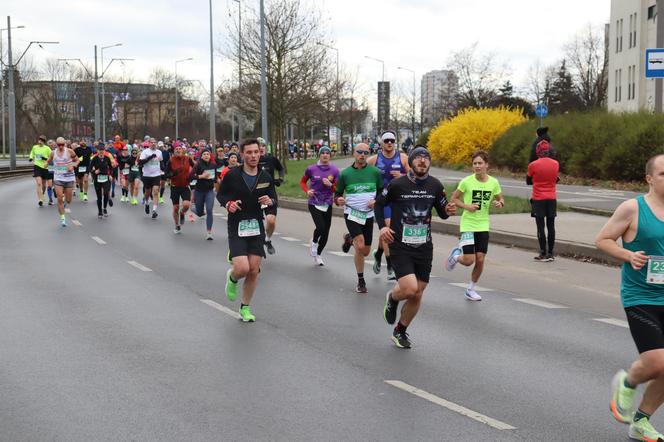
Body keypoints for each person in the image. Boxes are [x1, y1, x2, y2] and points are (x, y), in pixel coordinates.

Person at [596, 154, 664, 442]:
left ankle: (641, 421)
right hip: (641, 297)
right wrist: (628, 255)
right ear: (649, 178)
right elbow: (602, 239)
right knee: (658, 363)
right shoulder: (633, 208)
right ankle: (628, 381)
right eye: (663, 174)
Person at [376, 147, 457, 348]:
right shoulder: (397, 184)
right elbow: (379, 204)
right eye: (418, 158)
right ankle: (393, 298)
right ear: (411, 162)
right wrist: (381, 229)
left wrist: (449, 210)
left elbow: (443, 212)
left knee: (418, 293)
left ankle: (400, 330)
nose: (422, 161)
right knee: (410, 289)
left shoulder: (435, 185)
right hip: (400, 245)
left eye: (426, 159)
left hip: (424, 246)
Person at [217, 139, 278, 322]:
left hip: (256, 226)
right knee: (242, 269)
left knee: (253, 270)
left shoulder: (265, 176)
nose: (253, 156)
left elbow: (274, 199)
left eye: (256, 152)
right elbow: (221, 194)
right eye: (249, 153)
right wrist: (228, 204)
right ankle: (233, 278)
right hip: (237, 225)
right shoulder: (232, 175)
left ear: (260, 154)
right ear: (242, 155)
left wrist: (270, 203)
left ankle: (245, 308)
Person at [445, 150, 504, 301]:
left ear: (486, 165)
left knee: (480, 259)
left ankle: (470, 289)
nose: (477, 166)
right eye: (475, 164)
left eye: (480, 163)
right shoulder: (466, 181)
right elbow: (454, 199)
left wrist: (499, 203)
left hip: (483, 225)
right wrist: (467, 206)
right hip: (468, 224)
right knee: (469, 260)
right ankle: (456, 256)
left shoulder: (493, 182)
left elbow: (500, 198)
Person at [334, 143, 383, 293]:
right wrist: (338, 200)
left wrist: (376, 201)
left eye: (365, 152)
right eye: (359, 152)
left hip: (368, 215)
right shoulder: (346, 174)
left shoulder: (375, 172)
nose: (362, 155)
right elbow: (337, 194)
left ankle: (350, 239)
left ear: (368, 154)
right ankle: (361, 281)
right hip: (352, 214)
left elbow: (382, 193)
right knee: (360, 245)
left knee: (366, 251)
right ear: (354, 153)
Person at [368, 131, 410, 280]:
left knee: (390, 231)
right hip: (382, 200)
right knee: (388, 227)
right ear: (381, 143)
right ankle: (390, 266)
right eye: (386, 141)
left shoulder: (403, 158)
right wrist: (368, 197)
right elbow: (362, 175)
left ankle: (378, 254)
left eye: (392, 140)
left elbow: (415, 176)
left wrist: (403, 176)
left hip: (398, 200)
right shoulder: (374, 159)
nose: (389, 143)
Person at [301, 146, 340, 266]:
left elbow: (337, 189)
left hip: (327, 203)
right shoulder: (311, 169)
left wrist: (330, 185)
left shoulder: (335, 170)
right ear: (319, 155)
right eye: (322, 153)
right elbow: (303, 182)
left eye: (327, 153)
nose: (325, 155)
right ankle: (313, 242)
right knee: (321, 227)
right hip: (314, 202)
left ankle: (318, 254)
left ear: (330, 155)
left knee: (326, 232)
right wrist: (307, 191)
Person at [527, 140, 559, 261]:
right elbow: (555, 179)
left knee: (540, 226)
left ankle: (542, 252)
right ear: (549, 151)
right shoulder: (556, 164)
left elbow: (528, 181)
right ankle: (551, 253)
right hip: (552, 198)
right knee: (551, 226)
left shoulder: (533, 165)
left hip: (538, 198)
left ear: (538, 151)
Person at [257, 137, 284, 255]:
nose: (261, 148)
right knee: (255, 222)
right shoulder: (251, 160)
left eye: (263, 146)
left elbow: (281, 169)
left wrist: (280, 180)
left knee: (271, 221)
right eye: (259, 146)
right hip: (255, 193)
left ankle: (267, 239)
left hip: (270, 192)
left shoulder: (272, 159)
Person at [46, 137, 80, 227]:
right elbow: (48, 161)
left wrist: (73, 165)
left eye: (62, 145)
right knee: (59, 198)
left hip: (69, 178)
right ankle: (63, 219)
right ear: (56, 144)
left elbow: (77, 160)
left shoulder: (69, 151)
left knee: (68, 201)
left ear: (65, 144)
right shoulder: (53, 153)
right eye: (59, 145)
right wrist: (45, 165)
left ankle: (65, 202)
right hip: (58, 178)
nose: (61, 146)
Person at [165, 144, 194, 234]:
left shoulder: (187, 159)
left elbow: (195, 168)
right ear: (174, 151)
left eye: (179, 149)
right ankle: (177, 225)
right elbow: (166, 173)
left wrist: (193, 177)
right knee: (176, 207)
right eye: (176, 149)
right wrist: (173, 174)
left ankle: (182, 213)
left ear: (183, 150)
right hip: (174, 187)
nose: (178, 150)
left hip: (185, 186)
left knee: (186, 205)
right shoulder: (171, 160)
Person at [190, 149, 218, 240]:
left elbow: (215, 178)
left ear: (210, 156)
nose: (206, 155)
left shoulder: (213, 165)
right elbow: (190, 176)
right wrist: (201, 176)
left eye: (208, 154)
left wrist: (217, 184)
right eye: (204, 154)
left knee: (209, 210)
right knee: (199, 213)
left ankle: (209, 232)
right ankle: (193, 208)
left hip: (209, 191)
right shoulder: (198, 165)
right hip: (199, 191)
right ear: (201, 156)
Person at [89, 144, 116, 218]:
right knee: (99, 196)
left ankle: (105, 208)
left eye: (102, 150)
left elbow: (111, 168)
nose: (101, 152)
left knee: (106, 193)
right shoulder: (94, 158)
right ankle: (100, 211)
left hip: (106, 178)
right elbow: (90, 168)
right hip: (97, 178)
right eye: (100, 150)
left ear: (104, 151)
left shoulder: (107, 158)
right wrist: (94, 171)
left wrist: (110, 175)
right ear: (97, 151)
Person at [139, 138, 163, 219]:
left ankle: (154, 210)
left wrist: (163, 169)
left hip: (156, 175)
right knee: (147, 192)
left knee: (156, 191)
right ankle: (147, 203)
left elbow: (161, 161)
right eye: (151, 142)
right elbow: (141, 162)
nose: (153, 144)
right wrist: (150, 157)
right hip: (147, 175)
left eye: (154, 143)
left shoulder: (159, 152)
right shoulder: (145, 152)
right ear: (149, 144)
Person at [28, 135, 52, 207]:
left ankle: (42, 194)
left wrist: (44, 158)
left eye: (41, 140)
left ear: (44, 141)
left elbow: (51, 157)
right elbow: (32, 153)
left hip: (45, 167)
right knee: (39, 183)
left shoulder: (47, 148)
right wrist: (31, 158)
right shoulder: (35, 147)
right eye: (39, 140)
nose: (40, 141)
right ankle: (40, 199)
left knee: (44, 184)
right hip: (37, 166)